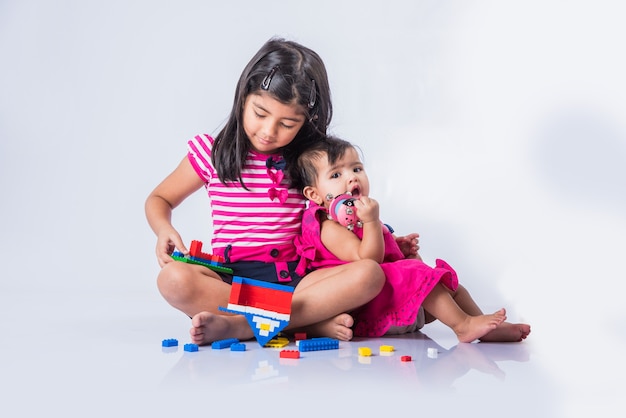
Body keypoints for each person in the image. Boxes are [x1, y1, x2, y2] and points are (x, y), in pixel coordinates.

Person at [145, 38, 385, 345]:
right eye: (260, 113)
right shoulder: (210, 152)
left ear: (306, 121)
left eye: (287, 123)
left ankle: (244, 325)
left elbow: (340, 205)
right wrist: (163, 228)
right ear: (244, 96)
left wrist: (374, 227)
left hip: (297, 281)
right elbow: (159, 198)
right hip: (230, 281)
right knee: (173, 280)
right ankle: (307, 324)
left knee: (369, 274)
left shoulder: (310, 162)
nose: (269, 131)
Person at [291, 136, 531, 343]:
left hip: (390, 301)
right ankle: (462, 325)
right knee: (415, 273)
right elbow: (368, 259)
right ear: (315, 195)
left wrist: (398, 247)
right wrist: (374, 222)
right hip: (367, 310)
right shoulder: (328, 227)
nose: (352, 179)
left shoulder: (359, 218)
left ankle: (481, 325)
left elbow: (383, 255)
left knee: (449, 286)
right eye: (336, 174)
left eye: (356, 169)